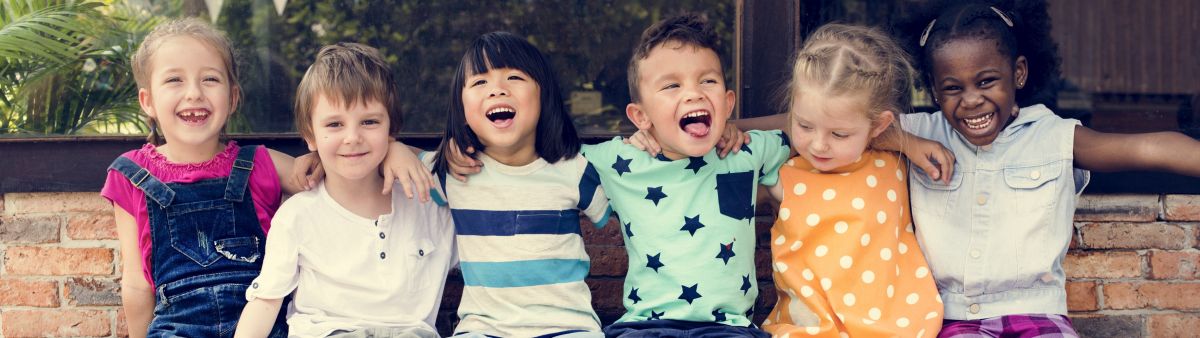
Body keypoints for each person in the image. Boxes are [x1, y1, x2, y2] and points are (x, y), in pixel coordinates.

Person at [899, 1, 1200, 336]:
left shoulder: (1052, 135)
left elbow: (1147, 148)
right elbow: (846, 122)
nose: (971, 99)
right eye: (953, 87)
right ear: (933, 88)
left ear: (1019, 73)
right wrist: (905, 142)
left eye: (986, 81)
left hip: (1038, 314)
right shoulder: (919, 132)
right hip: (953, 318)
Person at [233, 43, 455, 338]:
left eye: (369, 122)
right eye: (335, 124)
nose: (353, 137)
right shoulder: (298, 215)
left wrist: (402, 151)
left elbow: (476, 167)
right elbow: (265, 302)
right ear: (311, 136)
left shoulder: (427, 199)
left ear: (391, 130)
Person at [103, 18, 296, 338]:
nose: (194, 93)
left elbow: (336, 168)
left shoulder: (261, 164)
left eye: (209, 79)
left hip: (261, 326)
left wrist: (391, 151)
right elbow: (137, 282)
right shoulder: (132, 175)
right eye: (175, 80)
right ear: (147, 101)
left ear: (232, 98)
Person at [755, 23, 943, 338]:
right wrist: (724, 129)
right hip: (809, 331)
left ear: (879, 125)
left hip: (895, 329)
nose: (818, 145)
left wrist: (906, 142)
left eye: (839, 134)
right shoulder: (784, 174)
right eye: (804, 125)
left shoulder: (896, 166)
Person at [424, 31, 611, 338]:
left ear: (543, 95)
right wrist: (319, 159)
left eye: (514, 77)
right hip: (483, 328)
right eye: (479, 82)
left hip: (569, 327)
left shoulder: (575, 168)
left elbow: (638, 180)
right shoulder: (450, 172)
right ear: (462, 108)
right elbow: (379, 158)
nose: (497, 90)